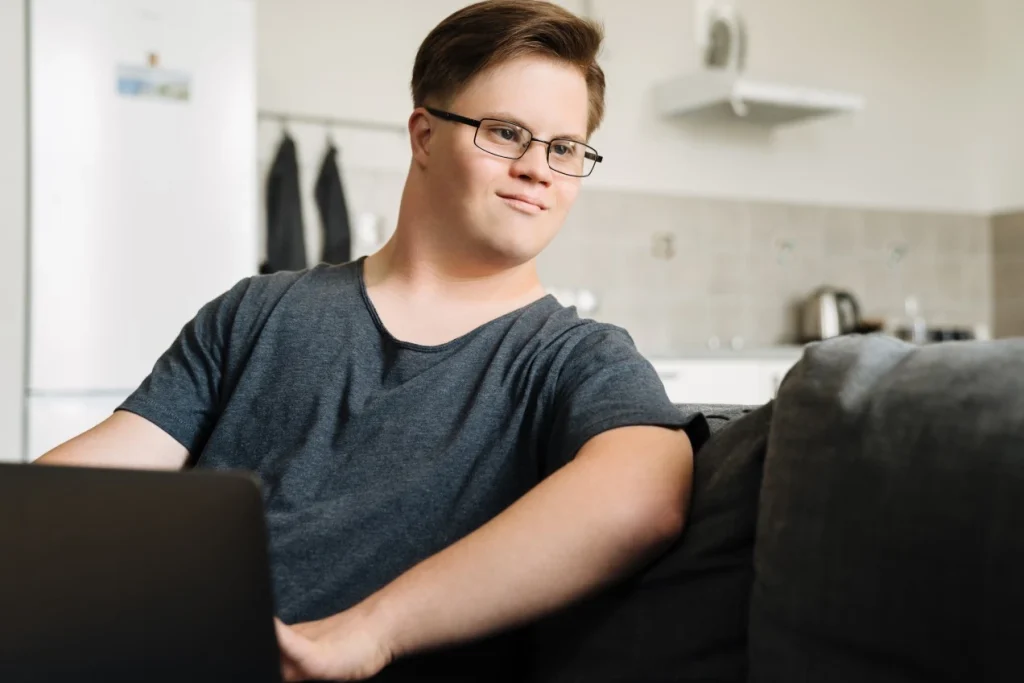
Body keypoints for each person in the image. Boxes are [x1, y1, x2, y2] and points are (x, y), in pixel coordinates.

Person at [37, 1, 707, 680]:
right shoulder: (258, 310)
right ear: (424, 136)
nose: (539, 168)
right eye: (506, 133)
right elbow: (74, 493)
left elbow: (644, 496)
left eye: (564, 148)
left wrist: (371, 632)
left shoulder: (578, 358)